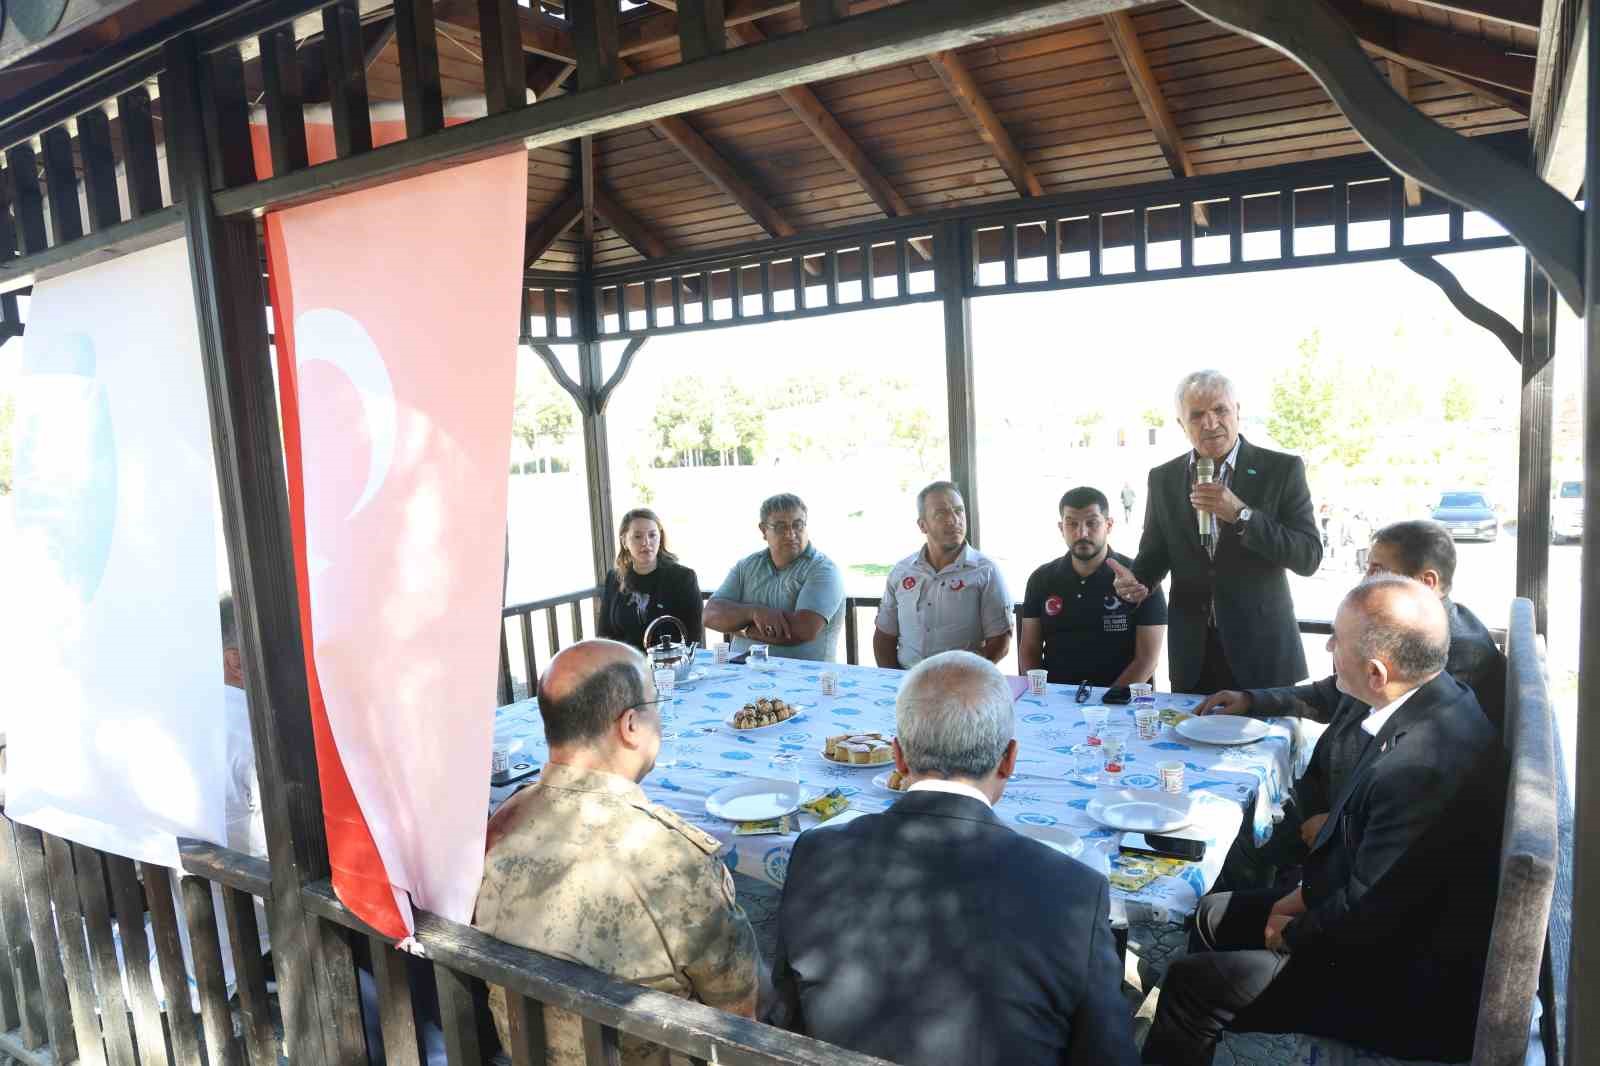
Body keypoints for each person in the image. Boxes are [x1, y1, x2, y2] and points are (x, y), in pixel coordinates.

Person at [1142, 577, 1504, 1065]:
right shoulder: (1440, 697)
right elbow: (1373, 873)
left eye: (1337, 639)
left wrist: (1291, 932)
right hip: (1384, 923)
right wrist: (1303, 896)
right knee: (1212, 913)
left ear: (1376, 673)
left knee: (1188, 988)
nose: (1330, 647)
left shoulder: (1417, 769)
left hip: (1404, 986)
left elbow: (1368, 915)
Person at [766, 651, 1137, 1066]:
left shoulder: (815, 854)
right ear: (1009, 760)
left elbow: (788, 1015)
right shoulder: (1076, 893)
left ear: (900, 758)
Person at [474, 639, 760, 1064]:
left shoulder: (499, 824)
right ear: (630, 726)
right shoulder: (673, 860)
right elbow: (739, 1023)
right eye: (655, 703)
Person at [1200, 519, 1509, 889]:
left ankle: (1226, 924)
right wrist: (1251, 700)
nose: (1365, 579)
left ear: (1426, 582)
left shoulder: (1448, 655)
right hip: (1327, 797)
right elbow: (1332, 695)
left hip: (1345, 822)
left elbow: (1413, 786)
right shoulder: (1409, 630)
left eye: (1377, 569)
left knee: (1228, 841)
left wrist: (1334, 823)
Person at [1110, 370, 1322, 692]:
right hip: (1194, 657)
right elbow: (1156, 554)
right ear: (1182, 425)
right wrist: (1137, 582)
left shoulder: (1281, 469)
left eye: (1220, 410)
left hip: (1263, 654)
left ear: (1237, 411)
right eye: (1197, 415)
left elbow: (1308, 557)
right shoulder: (1163, 478)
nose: (1210, 423)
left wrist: (1242, 514)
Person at [1020, 486, 1166, 686]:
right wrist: (1038, 693)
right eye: (1072, 524)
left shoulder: (1139, 578)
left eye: (1092, 523)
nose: (1082, 533)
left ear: (1109, 525)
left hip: (1119, 699)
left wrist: (1110, 699)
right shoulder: (1041, 578)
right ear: (1061, 528)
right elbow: (1030, 647)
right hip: (1055, 697)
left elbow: (1147, 660)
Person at [872, 481, 1012, 669]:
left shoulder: (986, 572)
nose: (953, 520)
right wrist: (897, 682)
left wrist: (961, 679)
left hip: (963, 686)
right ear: (923, 525)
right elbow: (884, 637)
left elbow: (1000, 643)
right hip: (907, 681)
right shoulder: (902, 572)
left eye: (958, 510)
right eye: (941, 513)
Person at [704, 493, 846, 661]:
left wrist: (740, 627)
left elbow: (802, 630)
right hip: (742, 674)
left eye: (797, 525)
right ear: (764, 530)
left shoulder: (823, 569)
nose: (791, 534)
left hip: (803, 679)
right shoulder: (746, 566)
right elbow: (710, 615)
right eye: (780, 527)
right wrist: (754, 612)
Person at [596, 508, 704, 651]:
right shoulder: (614, 578)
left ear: (660, 537)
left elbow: (694, 635)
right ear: (624, 541)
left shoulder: (683, 578)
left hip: (669, 663)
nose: (646, 542)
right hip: (626, 666)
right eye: (637, 536)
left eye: (652, 535)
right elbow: (605, 634)